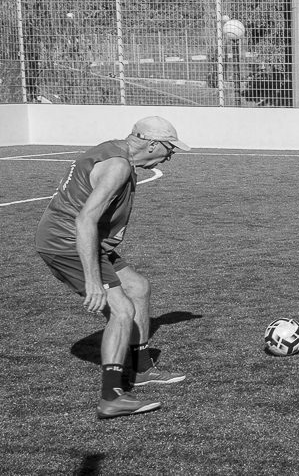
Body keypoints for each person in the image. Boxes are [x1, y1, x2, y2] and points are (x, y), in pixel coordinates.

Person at [35, 116, 190, 419]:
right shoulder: (118, 166)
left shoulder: (116, 152)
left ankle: (142, 369)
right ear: (152, 143)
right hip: (67, 241)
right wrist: (94, 280)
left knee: (138, 288)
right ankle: (112, 396)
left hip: (87, 240)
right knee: (121, 310)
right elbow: (84, 219)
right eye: (169, 149)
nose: (170, 155)